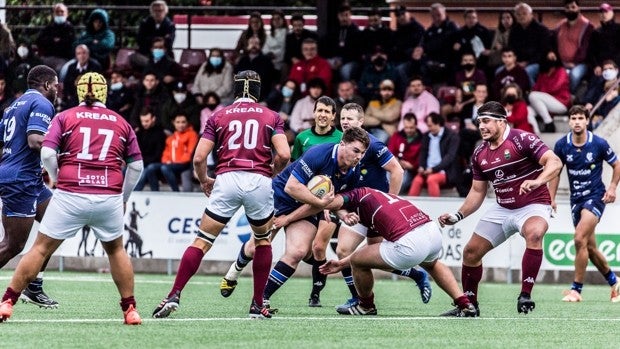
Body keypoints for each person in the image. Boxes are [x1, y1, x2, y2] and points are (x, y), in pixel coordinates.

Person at [0, 72, 144, 325]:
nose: (57, 89)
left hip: (59, 188)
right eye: (55, 85)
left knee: (41, 244)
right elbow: (137, 166)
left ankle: (12, 298)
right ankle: (130, 308)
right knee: (115, 250)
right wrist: (124, 197)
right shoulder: (120, 121)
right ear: (105, 92)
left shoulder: (38, 110)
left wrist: (57, 178)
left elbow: (46, 153)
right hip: (104, 194)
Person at [152, 70, 290, 319]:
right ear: (258, 91)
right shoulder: (271, 116)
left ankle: (173, 294)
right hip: (258, 180)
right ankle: (258, 304)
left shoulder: (219, 116)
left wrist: (205, 180)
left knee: (202, 241)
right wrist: (272, 172)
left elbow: (199, 158)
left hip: (226, 180)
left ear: (235, 90)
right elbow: (284, 155)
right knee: (262, 241)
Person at [219, 127, 370, 309]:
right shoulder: (319, 154)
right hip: (280, 198)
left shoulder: (354, 171)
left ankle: (261, 299)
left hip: (307, 207)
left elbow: (333, 201)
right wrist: (320, 205)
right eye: (356, 151)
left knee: (298, 251)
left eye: (362, 153)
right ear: (342, 144)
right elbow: (292, 188)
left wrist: (344, 214)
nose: (359, 157)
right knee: (254, 248)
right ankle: (233, 273)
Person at [438, 101, 563, 316]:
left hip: (533, 205)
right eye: (479, 123)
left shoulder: (522, 139)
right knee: (470, 252)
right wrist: (457, 215)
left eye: (486, 121)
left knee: (534, 233)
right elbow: (477, 192)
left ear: (501, 121)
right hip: (503, 208)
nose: (481, 126)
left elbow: (554, 162)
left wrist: (537, 181)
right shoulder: (479, 154)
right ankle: (470, 306)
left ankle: (525, 294)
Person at [317, 187, 477, 317]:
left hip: (411, 243)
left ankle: (366, 306)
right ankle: (464, 303)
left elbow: (335, 202)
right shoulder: (375, 195)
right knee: (433, 265)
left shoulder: (356, 197)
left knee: (358, 261)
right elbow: (373, 249)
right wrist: (341, 263)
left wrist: (321, 203)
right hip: (432, 232)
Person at [0, 65, 59, 309]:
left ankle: (34, 285)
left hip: (26, 177)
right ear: (46, 85)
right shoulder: (43, 104)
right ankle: (31, 284)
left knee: (57, 223)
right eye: (55, 85)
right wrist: (64, 149)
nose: (57, 89)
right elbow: (36, 141)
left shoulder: (12, 106)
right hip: (21, 179)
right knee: (13, 245)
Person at [549, 105, 620, 303]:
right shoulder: (562, 145)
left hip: (596, 196)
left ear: (587, 121)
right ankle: (615, 282)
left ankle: (576, 290)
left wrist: (612, 187)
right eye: (574, 118)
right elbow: (555, 170)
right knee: (589, 247)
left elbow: (617, 164)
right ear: (569, 121)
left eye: (581, 118)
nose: (577, 121)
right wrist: (551, 198)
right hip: (576, 200)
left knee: (579, 238)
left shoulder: (598, 143)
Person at [408, 112, 460, 197]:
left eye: (430, 125)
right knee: (417, 180)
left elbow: (449, 157)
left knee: (431, 180)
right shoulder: (426, 136)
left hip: (444, 171)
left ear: (438, 124)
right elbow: (423, 153)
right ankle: (409, 207)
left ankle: (435, 208)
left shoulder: (452, 136)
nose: (429, 128)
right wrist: (421, 166)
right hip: (427, 170)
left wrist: (434, 169)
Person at [550, 0, 594, 94]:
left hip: (580, 63)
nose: (570, 10)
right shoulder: (560, 25)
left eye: (573, 7)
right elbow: (552, 41)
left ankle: (570, 96)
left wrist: (574, 63)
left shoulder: (587, 26)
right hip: (561, 62)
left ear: (578, 8)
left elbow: (585, 49)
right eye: (567, 8)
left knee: (574, 75)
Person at [508, 3, 552, 86]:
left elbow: (543, 51)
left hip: (536, 63)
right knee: (499, 71)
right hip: (516, 62)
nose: (521, 16)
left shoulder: (542, 30)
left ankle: (533, 94)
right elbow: (511, 48)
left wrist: (527, 63)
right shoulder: (514, 30)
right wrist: (514, 61)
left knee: (525, 73)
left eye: (524, 13)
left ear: (531, 15)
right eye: (518, 14)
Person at [528, 53, 571, 133]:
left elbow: (555, 87)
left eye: (553, 57)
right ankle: (536, 136)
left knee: (533, 96)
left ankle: (549, 123)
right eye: (549, 58)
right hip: (544, 104)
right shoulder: (543, 74)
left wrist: (540, 92)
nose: (551, 60)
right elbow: (536, 88)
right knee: (527, 110)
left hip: (560, 102)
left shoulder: (561, 71)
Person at [291, 96, 342, 161]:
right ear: (314, 113)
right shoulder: (301, 137)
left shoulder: (341, 138)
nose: (323, 115)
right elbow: (294, 166)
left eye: (327, 111)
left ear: (333, 116)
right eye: (320, 110)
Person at [132, 0, 176, 70]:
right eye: (155, 11)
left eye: (160, 11)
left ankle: (153, 68)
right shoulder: (145, 23)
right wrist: (160, 39)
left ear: (165, 12)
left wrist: (150, 39)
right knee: (134, 57)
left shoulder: (170, 25)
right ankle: (154, 68)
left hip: (164, 55)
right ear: (151, 12)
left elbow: (169, 43)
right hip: (146, 54)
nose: (158, 13)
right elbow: (140, 41)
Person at [387, 112, 422, 195]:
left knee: (401, 182)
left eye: (411, 128)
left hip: (410, 171)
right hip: (394, 165)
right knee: (386, 180)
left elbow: (421, 159)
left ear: (416, 126)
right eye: (406, 127)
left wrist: (412, 166)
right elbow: (389, 151)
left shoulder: (422, 139)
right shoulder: (397, 135)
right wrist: (395, 159)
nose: (408, 130)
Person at [134, 106, 167, 192]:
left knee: (144, 172)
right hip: (142, 163)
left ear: (153, 119)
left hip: (154, 163)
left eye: (147, 121)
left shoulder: (160, 133)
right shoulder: (139, 133)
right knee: (125, 170)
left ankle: (134, 196)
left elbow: (158, 154)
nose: (144, 123)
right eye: (142, 121)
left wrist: (141, 162)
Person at [36, 3, 76, 73]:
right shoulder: (49, 27)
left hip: (63, 58)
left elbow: (70, 42)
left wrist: (55, 41)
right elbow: (39, 40)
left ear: (67, 14)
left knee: (59, 70)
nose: (60, 14)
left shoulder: (69, 28)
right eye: (57, 12)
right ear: (54, 14)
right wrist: (53, 40)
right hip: (48, 57)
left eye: (62, 12)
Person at [61, 44, 102, 110]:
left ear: (88, 54)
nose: (82, 56)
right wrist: (68, 96)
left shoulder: (95, 67)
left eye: (84, 53)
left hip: (90, 98)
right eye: (79, 53)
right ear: (76, 55)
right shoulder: (71, 67)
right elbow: (67, 84)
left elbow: (98, 85)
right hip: (74, 97)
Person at [364, 79, 402, 144]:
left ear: (393, 92)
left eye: (389, 90)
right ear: (380, 91)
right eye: (384, 90)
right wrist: (383, 120)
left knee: (376, 144)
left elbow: (390, 117)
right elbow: (364, 120)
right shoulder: (373, 102)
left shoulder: (397, 103)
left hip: (386, 131)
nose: (387, 92)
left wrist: (374, 113)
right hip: (370, 130)